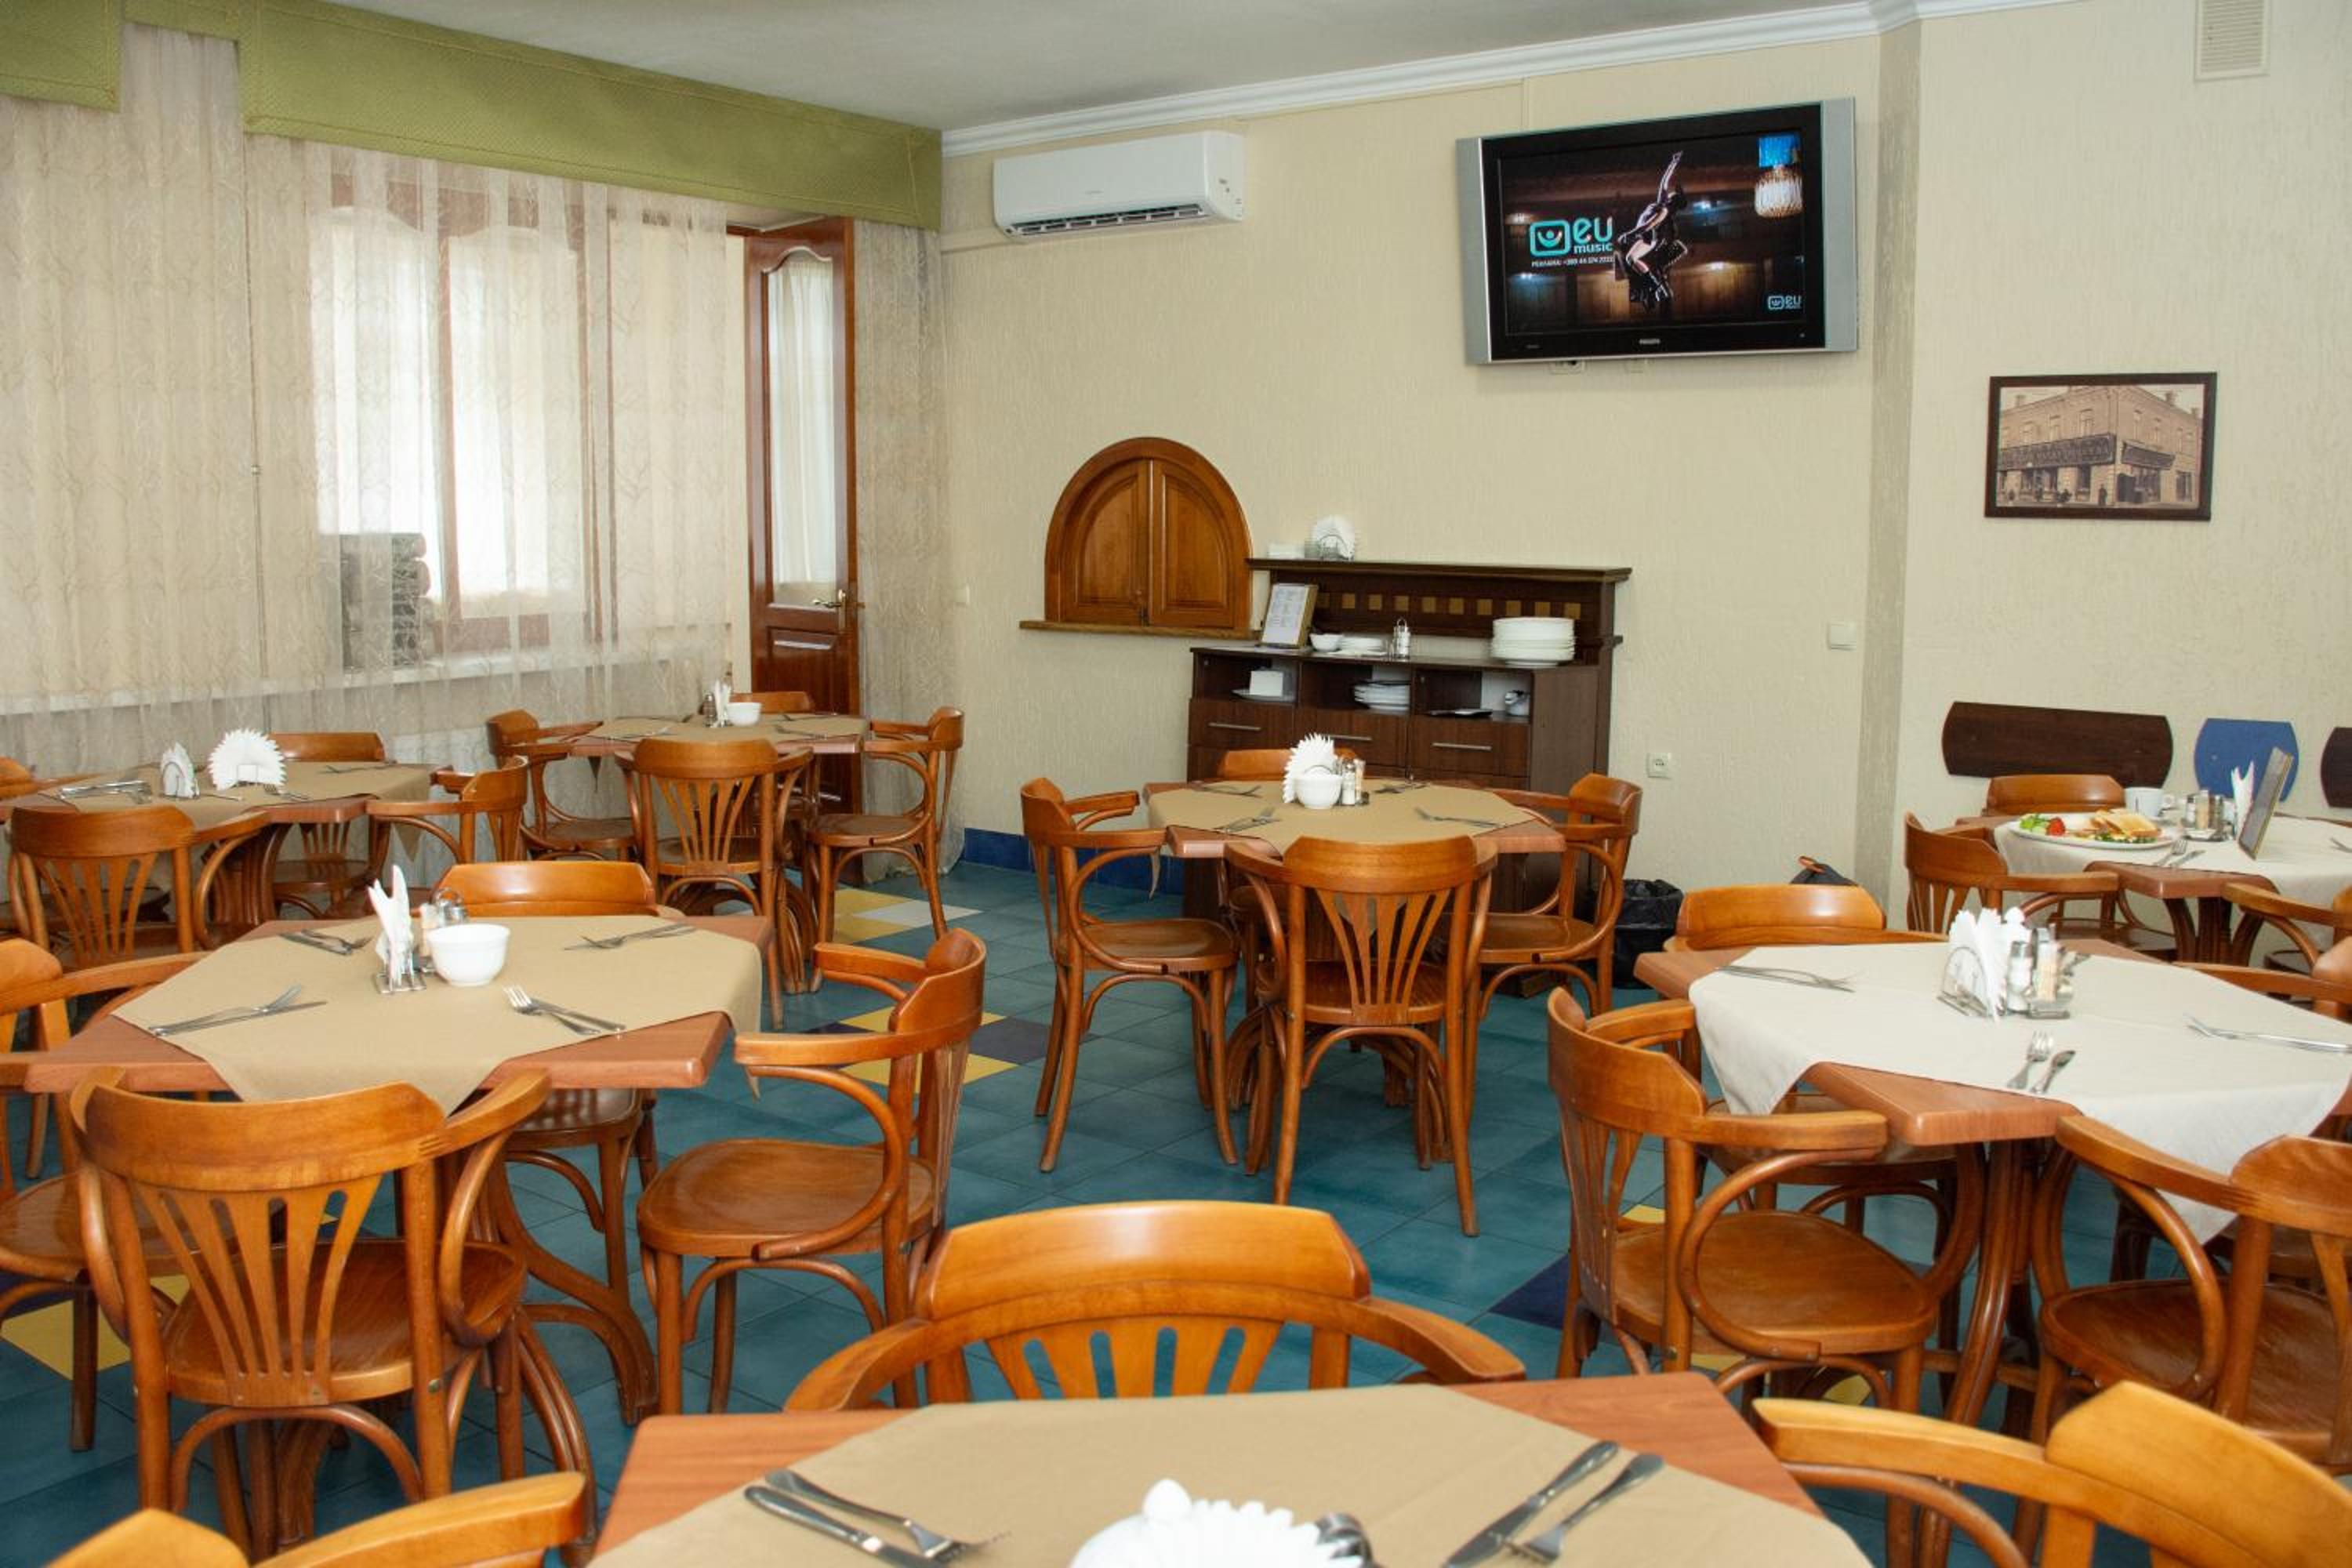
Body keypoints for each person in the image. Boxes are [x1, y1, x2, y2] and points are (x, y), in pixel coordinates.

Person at [1614, 151, 1688, 310]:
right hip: (1645, 236)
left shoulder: (1664, 211)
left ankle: (1656, 287)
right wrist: (1673, 163)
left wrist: (1629, 235)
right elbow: (1664, 183)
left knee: (1630, 259)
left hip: (1649, 239)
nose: (1670, 192)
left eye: (1673, 194)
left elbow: (1648, 225)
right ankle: (1655, 287)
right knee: (1629, 260)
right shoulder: (1662, 202)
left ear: (1672, 200)